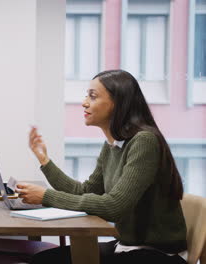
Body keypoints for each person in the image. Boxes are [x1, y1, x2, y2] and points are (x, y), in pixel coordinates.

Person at [17, 70, 187, 264]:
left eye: (93, 96)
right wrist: (45, 160)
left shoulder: (144, 141)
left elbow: (114, 206)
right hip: (127, 246)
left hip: (158, 254)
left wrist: (46, 196)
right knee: (43, 260)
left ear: (118, 103)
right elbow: (85, 191)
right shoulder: (112, 144)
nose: (84, 102)